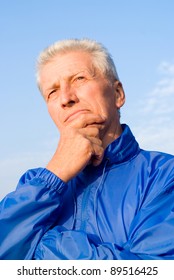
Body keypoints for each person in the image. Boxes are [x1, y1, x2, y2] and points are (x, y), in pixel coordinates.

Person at [0, 38, 174, 260]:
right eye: (52, 92)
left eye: (79, 79)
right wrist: (55, 176)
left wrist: (40, 244)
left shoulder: (164, 175)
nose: (65, 98)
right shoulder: (34, 184)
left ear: (118, 94)